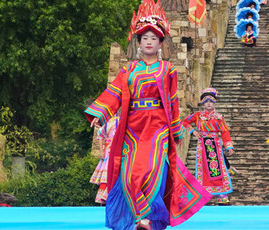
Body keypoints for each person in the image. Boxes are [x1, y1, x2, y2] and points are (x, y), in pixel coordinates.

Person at [85, 14, 211, 230]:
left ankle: (146, 219)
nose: (149, 41)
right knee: (127, 174)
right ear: (139, 43)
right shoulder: (128, 70)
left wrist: (176, 130)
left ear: (161, 43)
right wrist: (101, 114)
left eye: (154, 38)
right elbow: (114, 93)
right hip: (132, 127)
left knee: (152, 170)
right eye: (145, 38)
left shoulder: (167, 70)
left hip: (157, 127)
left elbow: (172, 103)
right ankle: (140, 216)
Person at [182, 89, 234, 205]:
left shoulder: (219, 117)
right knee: (203, 169)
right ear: (203, 103)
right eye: (206, 101)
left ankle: (222, 196)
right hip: (202, 145)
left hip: (216, 145)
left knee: (219, 169)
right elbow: (184, 122)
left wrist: (228, 146)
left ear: (214, 102)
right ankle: (203, 196)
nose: (208, 103)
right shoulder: (198, 116)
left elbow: (225, 132)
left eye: (211, 101)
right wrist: (193, 132)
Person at [90, 111, 121, 204]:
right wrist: (102, 150)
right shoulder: (114, 122)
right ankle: (106, 196)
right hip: (111, 150)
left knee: (111, 172)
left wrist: (102, 150)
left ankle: (107, 196)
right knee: (109, 172)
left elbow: (100, 135)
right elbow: (100, 135)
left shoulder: (113, 122)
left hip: (112, 149)